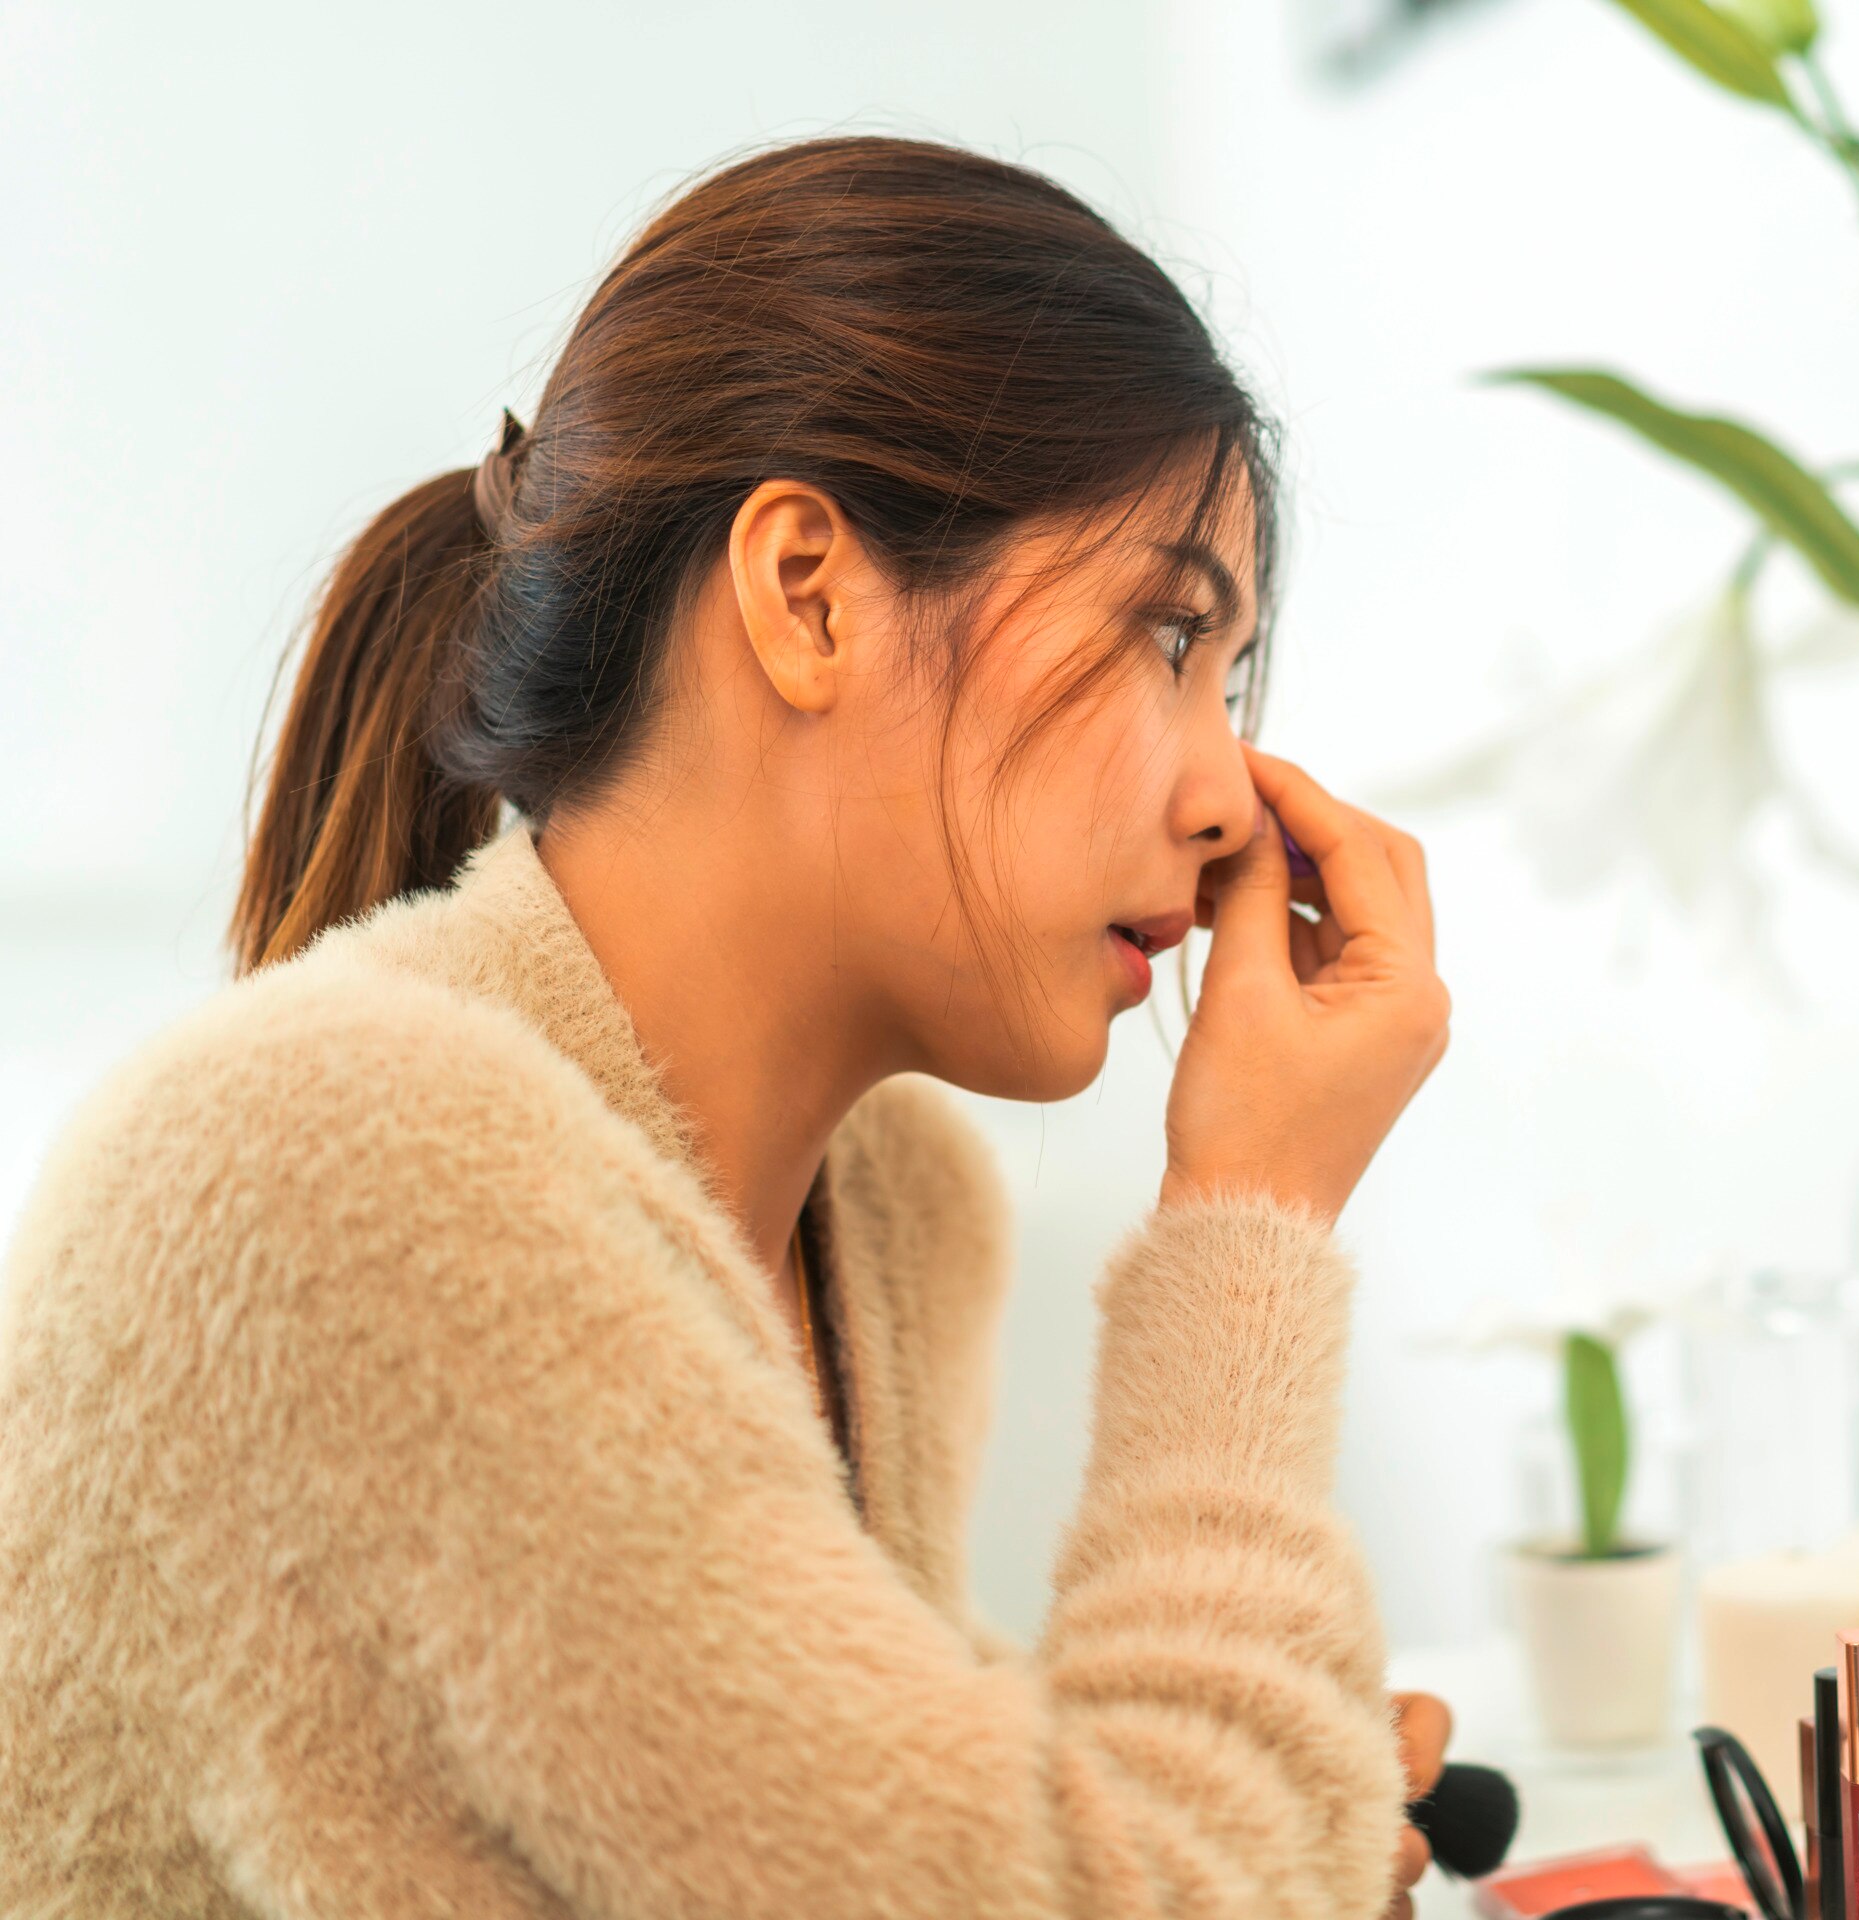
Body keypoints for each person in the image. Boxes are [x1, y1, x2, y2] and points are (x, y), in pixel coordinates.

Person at [0, 135, 1455, 1918]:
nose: (1229, 796)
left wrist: (1272, 1803)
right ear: (808, 594)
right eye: (1166, 635)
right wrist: (1252, 1217)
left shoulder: (891, 1210)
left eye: (1227, 678)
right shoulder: (332, 1163)